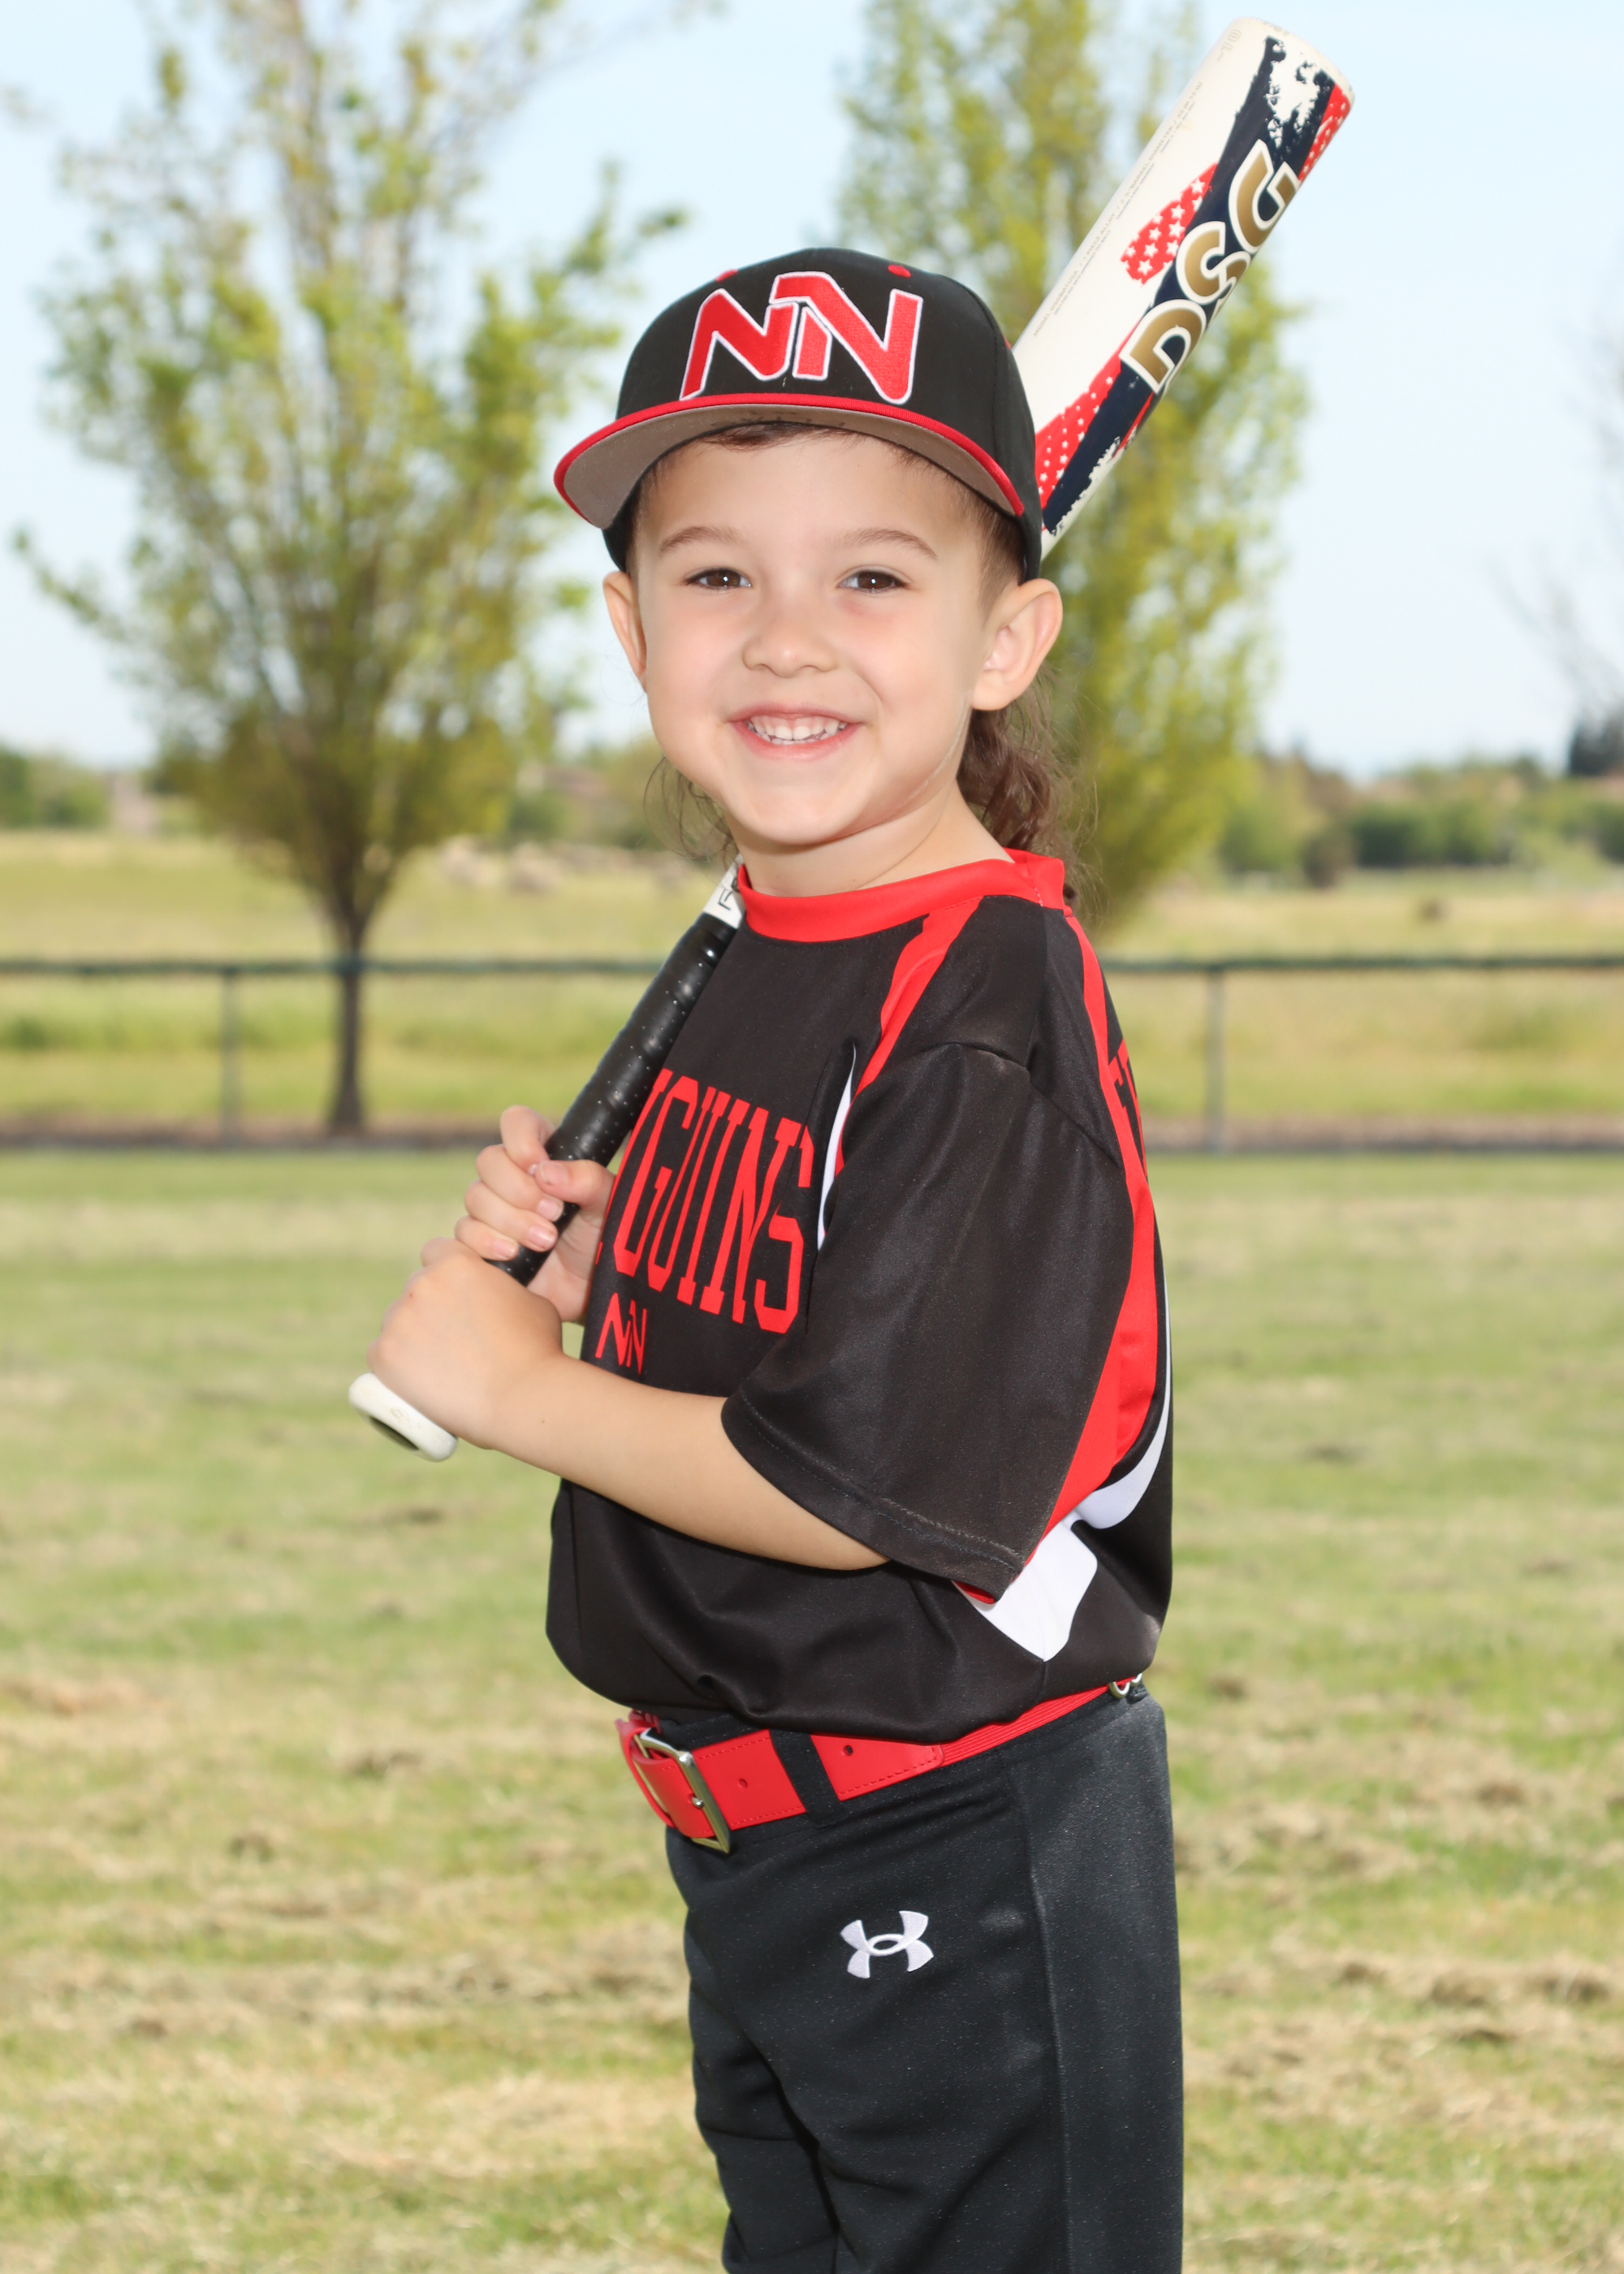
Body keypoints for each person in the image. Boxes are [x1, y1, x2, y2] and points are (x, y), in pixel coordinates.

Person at [367, 248, 1179, 2274]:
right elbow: (779, 1322)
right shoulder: (769, 945)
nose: (786, 634)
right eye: (716, 573)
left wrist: (522, 1390)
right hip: (765, 1841)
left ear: (1007, 638)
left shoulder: (980, 997)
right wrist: (606, 1276)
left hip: (959, 1832)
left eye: (874, 576)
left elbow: (849, 1479)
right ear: (630, 626)